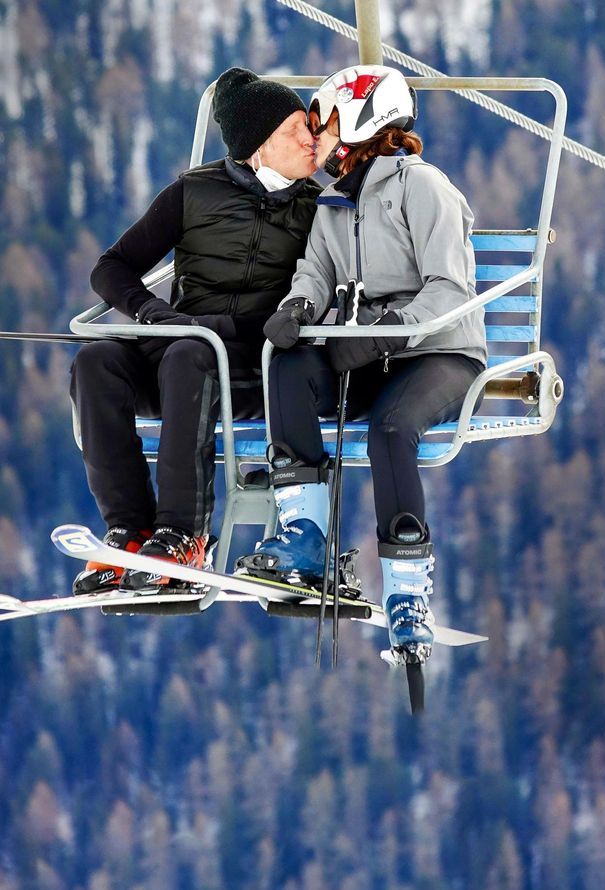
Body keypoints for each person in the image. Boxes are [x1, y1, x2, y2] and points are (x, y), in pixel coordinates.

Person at [236, 65, 487, 665]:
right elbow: (317, 271)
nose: (315, 138)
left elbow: (451, 289)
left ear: (359, 120)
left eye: (324, 124)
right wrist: (298, 308)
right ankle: (307, 539)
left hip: (440, 351)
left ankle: (406, 593)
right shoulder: (334, 203)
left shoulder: (422, 188)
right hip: (372, 349)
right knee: (288, 367)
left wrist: (383, 334)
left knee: (391, 430)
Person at [70, 67, 320, 597]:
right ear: (257, 147)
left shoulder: (317, 209)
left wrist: (213, 328)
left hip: (256, 368)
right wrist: (150, 313)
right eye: (293, 130)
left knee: (189, 354)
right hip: (181, 353)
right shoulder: (194, 192)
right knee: (96, 363)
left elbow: (315, 300)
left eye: (308, 126)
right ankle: (129, 533)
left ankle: (183, 533)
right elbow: (110, 268)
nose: (309, 139)